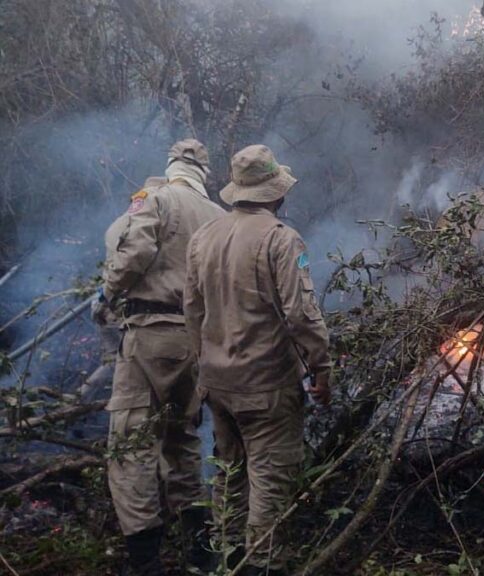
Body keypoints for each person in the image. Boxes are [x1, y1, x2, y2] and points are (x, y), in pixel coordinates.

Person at [184, 144, 331, 575]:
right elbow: (301, 315)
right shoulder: (282, 240)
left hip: (218, 385)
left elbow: (191, 311)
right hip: (266, 386)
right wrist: (322, 369)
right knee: (270, 481)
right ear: (275, 193)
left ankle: (226, 560)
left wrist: (204, 368)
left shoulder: (203, 237)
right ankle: (260, 567)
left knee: (230, 476)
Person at [100, 140, 224, 575]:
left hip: (150, 335)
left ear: (170, 167)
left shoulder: (155, 199)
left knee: (130, 446)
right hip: (198, 342)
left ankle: (146, 562)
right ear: (204, 173)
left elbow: (131, 254)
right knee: (183, 441)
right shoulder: (221, 218)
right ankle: (201, 553)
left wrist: (106, 294)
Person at [82, 177, 167, 402]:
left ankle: (79, 400)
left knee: (111, 362)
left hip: (105, 305)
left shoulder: (120, 223)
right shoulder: (147, 226)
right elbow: (133, 265)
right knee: (130, 371)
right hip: (121, 309)